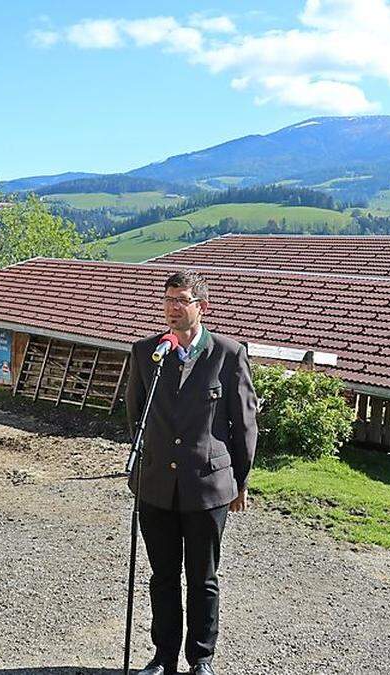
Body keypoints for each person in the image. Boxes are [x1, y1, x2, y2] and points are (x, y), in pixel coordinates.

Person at [126, 270, 258, 675]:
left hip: (208, 487)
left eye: (182, 300)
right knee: (163, 577)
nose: (173, 308)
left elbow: (245, 424)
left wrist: (240, 481)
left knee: (203, 579)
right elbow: (135, 416)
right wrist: (144, 466)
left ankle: (201, 658)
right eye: (168, 299)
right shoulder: (147, 353)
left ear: (203, 307)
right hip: (156, 487)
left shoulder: (228, 354)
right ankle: (163, 657)